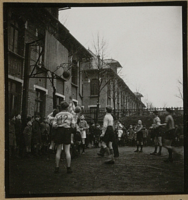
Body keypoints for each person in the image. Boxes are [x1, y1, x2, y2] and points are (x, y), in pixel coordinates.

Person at [52, 101, 75, 174]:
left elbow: (54, 125)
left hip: (59, 131)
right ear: (67, 107)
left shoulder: (57, 115)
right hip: (67, 131)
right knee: (67, 150)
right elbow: (73, 125)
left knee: (58, 150)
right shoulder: (70, 115)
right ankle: (68, 167)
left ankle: (57, 167)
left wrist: (59, 125)